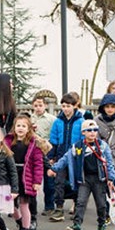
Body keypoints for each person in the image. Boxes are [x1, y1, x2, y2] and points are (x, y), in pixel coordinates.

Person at [52, 120, 115, 230]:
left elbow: (110, 163)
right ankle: (77, 225)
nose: (92, 133)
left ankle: (101, 224)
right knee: (80, 202)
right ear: (83, 132)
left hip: (99, 179)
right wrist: (54, 168)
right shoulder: (77, 146)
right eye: (89, 130)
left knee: (101, 204)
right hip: (84, 179)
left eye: (95, 130)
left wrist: (111, 178)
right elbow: (65, 158)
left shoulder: (102, 146)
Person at [6, 115, 46, 230]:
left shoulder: (33, 144)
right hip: (11, 176)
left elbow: (38, 164)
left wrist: (37, 181)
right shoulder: (8, 142)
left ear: (29, 128)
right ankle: (20, 222)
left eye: (24, 126)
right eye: (18, 126)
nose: (20, 128)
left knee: (24, 204)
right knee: (8, 204)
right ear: (14, 127)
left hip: (25, 176)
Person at [46, 93, 84, 222]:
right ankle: (59, 208)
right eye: (63, 106)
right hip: (62, 157)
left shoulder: (81, 121)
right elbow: (54, 139)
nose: (65, 109)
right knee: (59, 181)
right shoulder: (58, 122)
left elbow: (84, 139)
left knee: (77, 182)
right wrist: (52, 156)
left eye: (68, 106)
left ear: (74, 106)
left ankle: (78, 207)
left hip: (76, 157)